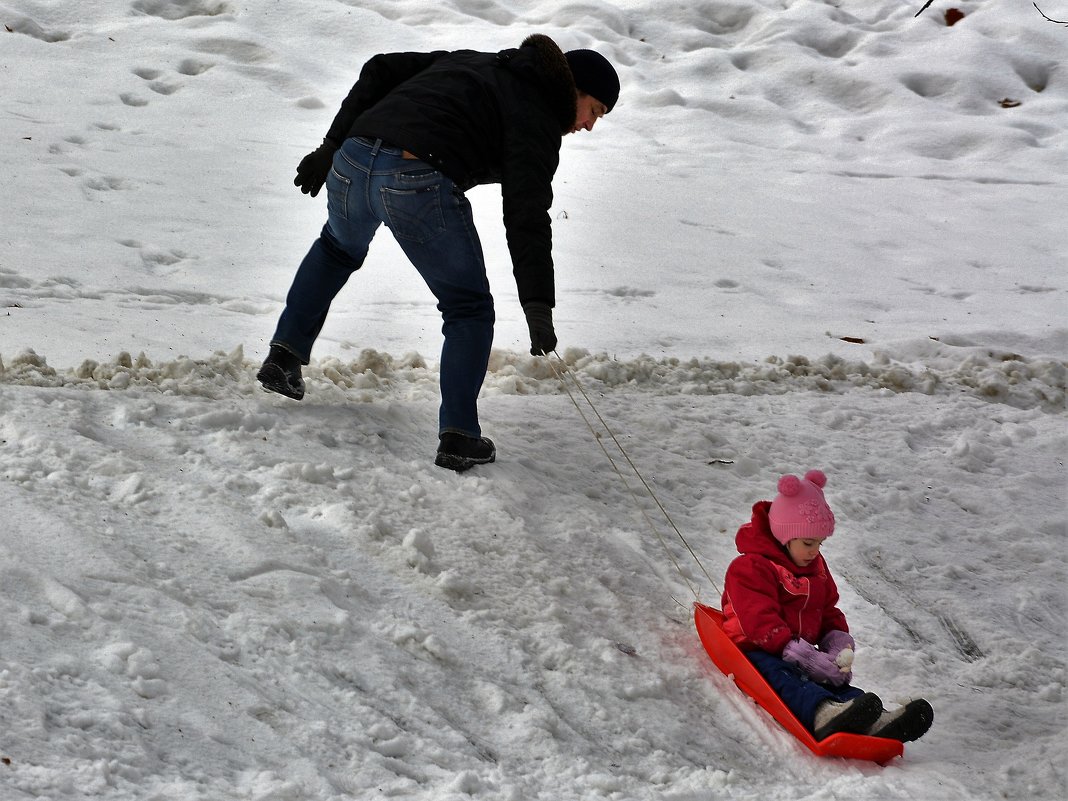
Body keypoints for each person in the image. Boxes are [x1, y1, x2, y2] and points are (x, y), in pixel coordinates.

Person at [256, 34, 620, 472]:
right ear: (573, 90)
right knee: (467, 308)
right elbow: (527, 213)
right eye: (594, 111)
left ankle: (284, 356)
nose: (588, 126)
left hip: (353, 160)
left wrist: (331, 147)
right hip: (414, 177)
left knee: (335, 249)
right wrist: (538, 303)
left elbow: (380, 66)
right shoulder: (537, 115)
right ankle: (460, 436)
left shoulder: (472, 60)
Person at [721, 470, 934, 742]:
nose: (814, 551)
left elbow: (827, 609)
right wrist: (798, 653)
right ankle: (821, 712)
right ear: (784, 537)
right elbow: (758, 620)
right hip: (758, 648)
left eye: (820, 543)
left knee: (829, 680)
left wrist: (836, 641)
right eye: (808, 543)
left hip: (801, 649)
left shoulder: (815, 567)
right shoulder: (750, 567)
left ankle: (872, 717)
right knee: (785, 676)